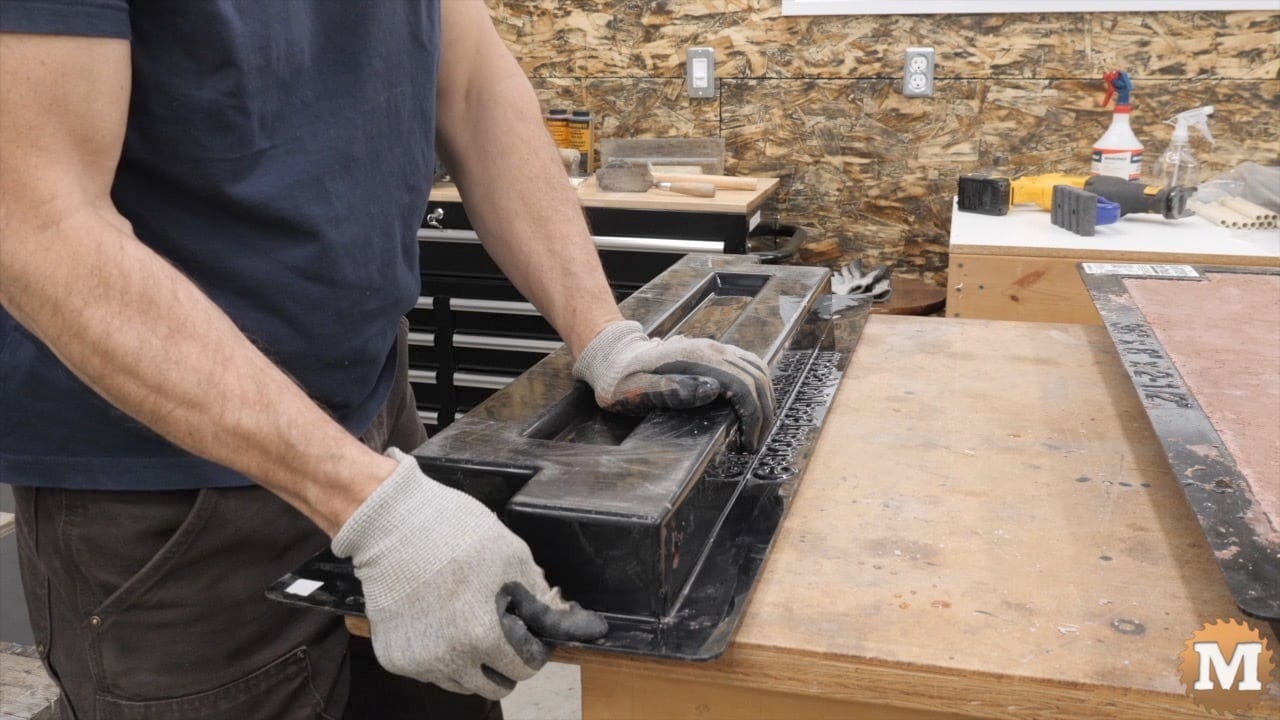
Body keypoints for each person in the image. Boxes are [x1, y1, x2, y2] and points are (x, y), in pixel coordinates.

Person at [0, 1, 775, 719]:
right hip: (164, 491)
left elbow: (473, 90)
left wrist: (605, 335)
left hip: (378, 418)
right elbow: (35, 221)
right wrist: (369, 503)